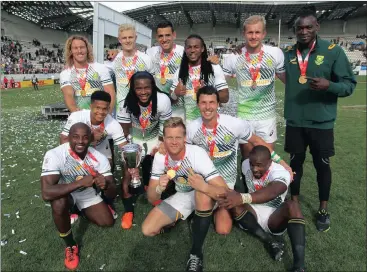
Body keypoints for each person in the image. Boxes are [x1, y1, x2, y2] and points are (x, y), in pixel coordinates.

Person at [282, 8, 356, 232]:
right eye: (299, 28)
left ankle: (323, 208)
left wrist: (329, 86)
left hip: (321, 123)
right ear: (295, 30)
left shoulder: (333, 52)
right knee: (295, 165)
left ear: (317, 27)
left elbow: (349, 84)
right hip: (295, 122)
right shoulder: (287, 53)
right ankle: (294, 202)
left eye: (308, 27)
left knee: (322, 166)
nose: (303, 32)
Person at [186, 86, 293, 235]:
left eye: (211, 102)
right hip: (205, 183)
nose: (208, 107)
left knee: (223, 230)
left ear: (218, 104)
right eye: (203, 102)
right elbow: (185, 154)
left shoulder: (234, 124)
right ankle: (204, 208)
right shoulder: (191, 128)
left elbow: (257, 141)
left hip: (226, 186)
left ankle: (212, 209)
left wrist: (282, 162)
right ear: (198, 104)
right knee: (202, 203)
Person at [141, 117, 229, 272]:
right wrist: (159, 189)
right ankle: (192, 216)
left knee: (202, 196)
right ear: (164, 139)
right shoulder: (161, 157)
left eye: (178, 137)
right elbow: (151, 198)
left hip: (205, 193)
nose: (174, 142)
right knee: (148, 229)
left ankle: (196, 253)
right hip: (183, 195)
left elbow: (225, 192)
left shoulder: (197, 154)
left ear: (185, 138)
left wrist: (204, 187)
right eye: (169, 137)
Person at [41, 123, 116, 271]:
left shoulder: (99, 158)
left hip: (87, 193)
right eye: (75, 137)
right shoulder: (55, 154)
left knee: (107, 222)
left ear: (91, 139)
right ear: (68, 137)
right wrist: (80, 182)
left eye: (85, 137)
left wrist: (106, 184)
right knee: (58, 203)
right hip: (65, 194)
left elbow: (112, 193)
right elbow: (46, 193)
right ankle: (70, 245)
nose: (80, 141)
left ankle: (80, 209)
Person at [218, 145, 305, 272]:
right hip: (252, 213)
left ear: (270, 163)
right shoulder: (245, 165)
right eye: (252, 164)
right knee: (234, 201)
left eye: (259, 165)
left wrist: (242, 198)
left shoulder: (280, 172)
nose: (254, 169)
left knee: (293, 205)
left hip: (273, 217)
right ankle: (269, 241)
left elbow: (273, 191)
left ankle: (299, 266)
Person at [222, 15, 286, 159]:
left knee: (265, 159)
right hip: (244, 116)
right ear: (244, 33)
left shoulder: (275, 53)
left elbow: (286, 79)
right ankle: (247, 182)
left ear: (264, 34)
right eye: (250, 32)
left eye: (257, 32)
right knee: (247, 159)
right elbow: (219, 80)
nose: (254, 36)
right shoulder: (233, 57)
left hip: (267, 117)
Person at [117, 71, 172, 230]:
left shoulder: (162, 100)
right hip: (134, 140)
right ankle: (128, 210)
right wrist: (129, 156)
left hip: (155, 137)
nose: (143, 92)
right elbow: (124, 132)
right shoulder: (125, 103)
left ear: (153, 87)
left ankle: (154, 195)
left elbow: (164, 126)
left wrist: (161, 145)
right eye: (138, 88)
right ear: (133, 89)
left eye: (146, 87)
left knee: (158, 166)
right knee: (127, 173)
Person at [170, 34, 229, 124]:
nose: (192, 50)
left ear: (202, 49)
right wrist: (175, 93)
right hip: (189, 124)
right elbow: (171, 99)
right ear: (185, 50)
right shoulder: (179, 71)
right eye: (189, 47)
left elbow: (225, 97)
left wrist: (207, 93)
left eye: (196, 47)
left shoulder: (213, 68)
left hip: (211, 123)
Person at [60, 91, 127, 166]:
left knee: (108, 165)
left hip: (101, 150)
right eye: (97, 108)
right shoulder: (77, 117)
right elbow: (64, 139)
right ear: (91, 106)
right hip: (78, 149)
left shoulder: (113, 123)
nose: (101, 112)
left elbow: (124, 148)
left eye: (104, 109)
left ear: (109, 108)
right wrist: (90, 138)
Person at [105, 24, 155, 119]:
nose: (127, 41)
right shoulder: (114, 61)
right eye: (124, 38)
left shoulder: (146, 59)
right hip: (121, 110)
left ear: (135, 38)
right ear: (119, 40)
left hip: (142, 109)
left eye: (130, 37)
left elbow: (153, 84)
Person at [60, 35, 116, 113]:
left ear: (87, 49)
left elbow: (110, 92)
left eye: (82, 47)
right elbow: (68, 95)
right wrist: (77, 114)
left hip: (101, 115)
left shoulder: (101, 68)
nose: (79, 51)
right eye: (75, 48)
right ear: (70, 51)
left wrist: (107, 114)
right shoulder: (65, 73)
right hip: (79, 116)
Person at [145, 21, 186, 119]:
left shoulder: (184, 52)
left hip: (178, 108)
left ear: (174, 35)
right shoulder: (150, 52)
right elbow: (135, 56)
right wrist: (118, 52)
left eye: (167, 35)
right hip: (158, 107)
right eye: (160, 36)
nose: (164, 39)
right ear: (156, 37)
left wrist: (211, 59)